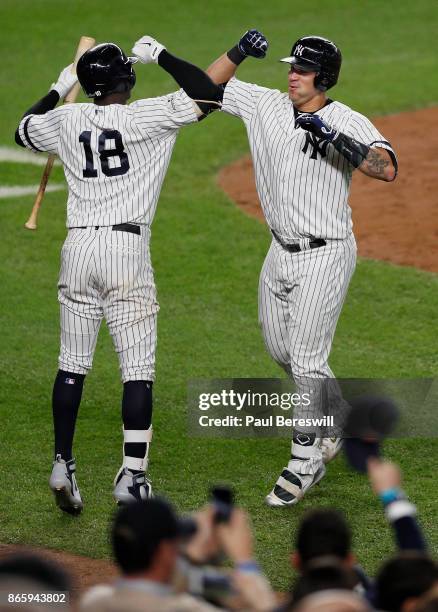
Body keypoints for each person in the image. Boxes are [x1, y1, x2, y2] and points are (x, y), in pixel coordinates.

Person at [15, 32, 270, 513]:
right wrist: (172, 55)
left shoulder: (65, 120)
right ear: (128, 79)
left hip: (78, 247)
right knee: (137, 370)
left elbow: (24, 128)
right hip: (125, 250)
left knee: (72, 364)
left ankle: (61, 462)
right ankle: (132, 476)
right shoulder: (146, 116)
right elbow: (206, 93)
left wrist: (60, 83)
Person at [206, 35, 398, 506]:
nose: (293, 74)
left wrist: (335, 139)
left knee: (309, 360)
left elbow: (387, 167)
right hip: (279, 252)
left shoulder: (345, 119)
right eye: (292, 66)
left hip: (326, 254)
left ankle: (305, 459)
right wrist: (236, 52)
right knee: (282, 350)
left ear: (325, 77)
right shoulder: (264, 105)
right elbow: (204, 86)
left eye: (304, 69)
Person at [79, 497, 276, 611]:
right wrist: (245, 562)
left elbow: (166, 583)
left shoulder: (94, 602)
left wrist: (193, 559)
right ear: (164, 552)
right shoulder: (186, 609)